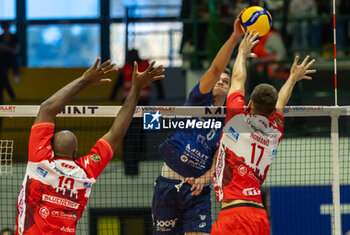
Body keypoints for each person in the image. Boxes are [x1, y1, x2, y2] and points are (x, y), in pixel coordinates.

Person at [15, 58, 165, 234]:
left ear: (50, 148)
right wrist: (137, 88)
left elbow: (47, 108)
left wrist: (85, 79)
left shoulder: (40, 159)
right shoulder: (86, 171)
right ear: (76, 152)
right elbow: (116, 134)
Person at [211, 31, 316, 234]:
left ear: (249, 104)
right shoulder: (274, 129)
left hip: (233, 216)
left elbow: (238, 80)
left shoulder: (237, 119)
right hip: (259, 217)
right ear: (271, 112)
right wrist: (292, 79)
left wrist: (241, 53)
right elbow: (281, 103)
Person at [152, 10, 245, 235]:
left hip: (197, 192)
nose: (222, 81)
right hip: (168, 183)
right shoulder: (197, 100)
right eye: (220, 79)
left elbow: (218, 159)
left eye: (227, 80)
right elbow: (215, 69)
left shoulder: (228, 120)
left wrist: (205, 179)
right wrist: (235, 38)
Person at [109, 49, 164, 175]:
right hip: (127, 105)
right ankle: (129, 159)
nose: (130, 57)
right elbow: (118, 84)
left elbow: (158, 82)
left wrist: (161, 95)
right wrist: (111, 96)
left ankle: (142, 156)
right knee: (126, 131)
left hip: (145, 105)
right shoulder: (125, 67)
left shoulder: (147, 66)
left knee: (143, 130)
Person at [0, 21, 19, 103]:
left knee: (14, 58)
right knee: (3, 79)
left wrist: (6, 48)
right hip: (2, 60)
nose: (6, 30)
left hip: (11, 59)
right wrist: (10, 49)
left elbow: (16, 50)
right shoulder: (0, 37)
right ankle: (12, 95)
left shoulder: (14, 36)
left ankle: (16, 73)